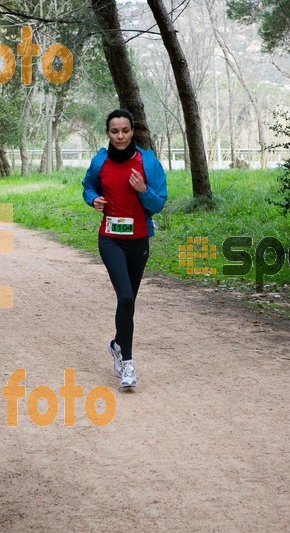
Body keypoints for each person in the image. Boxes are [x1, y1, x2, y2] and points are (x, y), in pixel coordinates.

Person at [82, 109, 167, 388]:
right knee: (127, 297)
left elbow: (158, 205)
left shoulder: (148, 162)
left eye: (125, 131)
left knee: (127, 303)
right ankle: (128, 364)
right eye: (114, 131)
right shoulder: (100, 162)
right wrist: (93, 199)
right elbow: (88, 187)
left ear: (133, 132)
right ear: (108, 133)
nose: (120, 136)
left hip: (139, 239)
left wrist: (143, 189)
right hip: (110, 239)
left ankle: (117, 344)